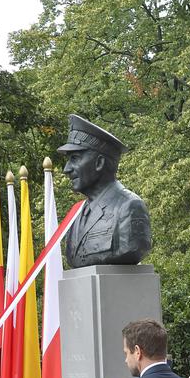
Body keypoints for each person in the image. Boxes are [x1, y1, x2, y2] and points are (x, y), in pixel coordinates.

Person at [59, 114, 152, 268]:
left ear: (99, 163)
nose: (66, 169)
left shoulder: (129, 207)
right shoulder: (76, 216)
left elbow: (133, 248)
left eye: (75, 158)